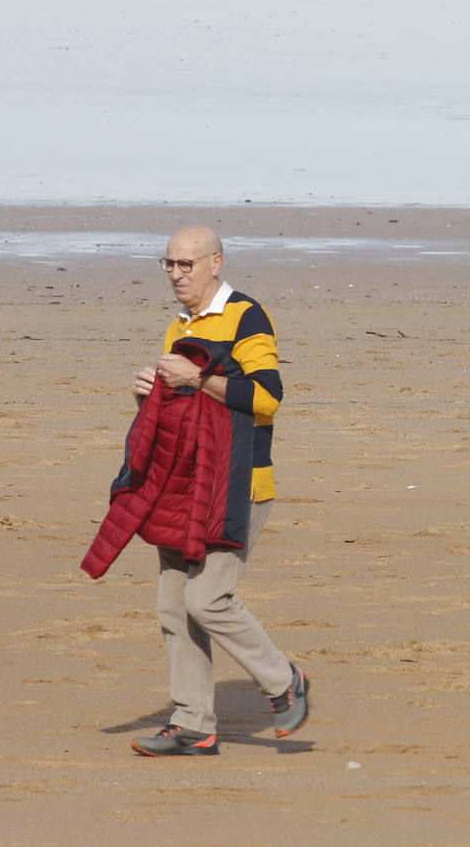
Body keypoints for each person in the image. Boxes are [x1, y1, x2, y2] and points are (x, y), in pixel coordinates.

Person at [84, 225, 310, 755]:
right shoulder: (177, 325)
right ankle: (192, 723)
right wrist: (150, 394)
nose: (176, 275)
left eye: (186, 264)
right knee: (173, 607)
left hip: (239, 484)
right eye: (169, 265)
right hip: (184, 484)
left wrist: (193, 379)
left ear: (216, 263)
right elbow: (184, 411)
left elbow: (267, 398)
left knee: (207, 598)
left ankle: (284, 681)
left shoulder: (247, 316)